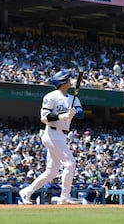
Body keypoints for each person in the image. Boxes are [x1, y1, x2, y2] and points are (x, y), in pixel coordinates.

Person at [19, 70, 84, 205]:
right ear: (62, 81)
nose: (70, 80)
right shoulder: (51, 96)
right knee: (70, 163)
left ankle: (26, 192)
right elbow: (44, 117)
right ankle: (64, 197)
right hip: (51, 133)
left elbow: (81, 114)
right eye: (67, 79)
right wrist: (62, 116)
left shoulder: (73, 98)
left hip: (61, 135)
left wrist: (75, 112)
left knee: (51, 173)